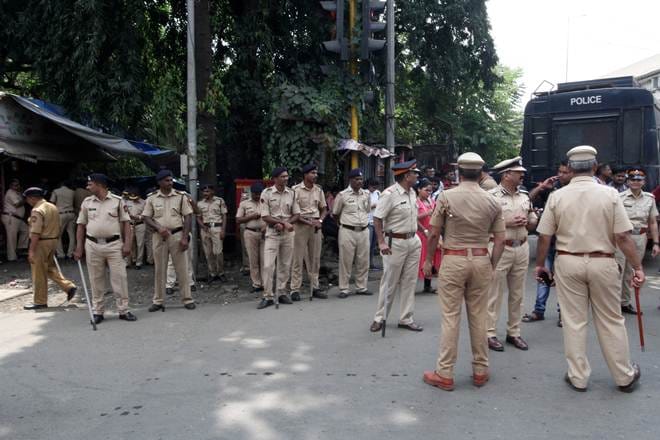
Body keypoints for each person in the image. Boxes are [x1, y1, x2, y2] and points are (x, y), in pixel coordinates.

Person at [535, 145, 642, 393]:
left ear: (570, 169)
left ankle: (578, 377)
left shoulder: (557, 196)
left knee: (574, 322)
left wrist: (540, 265)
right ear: (595, 167)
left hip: (567, 261)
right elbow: (623, 237)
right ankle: (624, 375)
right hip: (603, 261)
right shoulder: (611, 194)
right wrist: (637, 267)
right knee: (611, 320)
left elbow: (544, 237)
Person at [422, 152, 505, 391]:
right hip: (480, 258)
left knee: (450, 317)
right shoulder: (492, 200)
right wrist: (491, 265)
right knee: (479, 316)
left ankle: (445, 373)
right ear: (480, 173)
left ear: (459, 172)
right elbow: (500, 240)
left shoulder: (446, 197)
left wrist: (429, 260)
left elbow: (434, 233)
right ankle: (480, 370)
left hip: (454, 259)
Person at [486, 157, 537, 352]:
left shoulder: (525, 195)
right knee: (494, 293)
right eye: (519, 172)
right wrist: (507, 223)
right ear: (506, 174)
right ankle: (489, 333)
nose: (523, 175)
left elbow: (532, 219)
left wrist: (531, 220)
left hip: (521, 246)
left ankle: (514, 332)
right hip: (500, 247)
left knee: (518, 294)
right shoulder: (491, 196)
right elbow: (482, 224)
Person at [369, 159, 424, 334]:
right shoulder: (389, 194)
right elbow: (377, 218)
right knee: (390, 282)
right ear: (406, 176)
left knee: (410, 281)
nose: (417, 176)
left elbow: (413, 216)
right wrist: (381, 242)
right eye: (415, 173)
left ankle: (406, 318)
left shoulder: (413, 193)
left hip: (413, 240)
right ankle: (380, 317)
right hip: (395, 242)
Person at [73, 174, 136, 324]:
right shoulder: (87, 202)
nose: (87, 187)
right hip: (92, 245)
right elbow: (81, 225)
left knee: (119, 278)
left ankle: (123, 310)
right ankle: (98, 311)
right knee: (95, 279)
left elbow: (127, 223)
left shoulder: (118, 201)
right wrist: (78, 247)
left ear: (100, 185)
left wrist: (127, 244)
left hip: (114, 245)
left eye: (90, 184)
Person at [523, 161, 572, 326]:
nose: (562, 175)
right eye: (560, 171)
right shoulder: (552, 188)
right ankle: (538, 310)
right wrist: (542, 187)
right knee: (543, 276)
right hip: (549, 241)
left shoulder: (575, 190)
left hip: (567, 242)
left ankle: (562, 314)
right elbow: (527, 199)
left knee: (564, 280)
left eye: (565, 172)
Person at [142, 170, 196, 311]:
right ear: (159, 182)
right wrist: (158, 227)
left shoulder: (180, 197)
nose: (170, 183)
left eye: (171, 180)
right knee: (160, 270)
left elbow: (188, 217)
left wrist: (185, 237)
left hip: (177, 235)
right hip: (159, 237)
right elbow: (146, 217)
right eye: (166, 180)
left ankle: (187, 299)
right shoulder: (151, 198)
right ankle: (158, 301)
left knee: (182, 269)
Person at [22, 187, 77, 309]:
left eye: (27, 199)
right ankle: (68, 287)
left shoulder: (37, 210)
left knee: (38, 272)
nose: (27, 201)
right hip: (53, 241)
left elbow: (36, 232)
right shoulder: (52, 207)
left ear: (32, 198)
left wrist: (31, 250)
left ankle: (40, 301)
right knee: (49, 268)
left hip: (41, 242)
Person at [615, 167, 659, 314]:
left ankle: (625, 303)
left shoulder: (649, 198)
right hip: (622, 237)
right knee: (618, 270)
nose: (635, 182)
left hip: (640, 237)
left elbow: (652, 222)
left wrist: (656, 243)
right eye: (632, 179)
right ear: (628, 181)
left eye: (639, 179)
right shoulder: (619, 197)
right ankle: (613, 304)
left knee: (632, 272)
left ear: (644, 182)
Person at [258, 166, 300, 309]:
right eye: (282, 176)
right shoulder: (267, 193)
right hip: (272, 234)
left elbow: (296, 214)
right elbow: (265, 216)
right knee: (268, 265)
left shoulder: (292, 193)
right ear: (275, 179)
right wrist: (281, 223)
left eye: (287, 176)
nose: (286, 178)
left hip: (288, 234)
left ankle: (281, 292)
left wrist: (287, 223)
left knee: (285, 264)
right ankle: (268, 296)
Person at [333, 168, 371, 298]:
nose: (359, 181)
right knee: (346, 260)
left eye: (361, 179)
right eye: (357, 179)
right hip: (347, 230)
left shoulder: (366, 194)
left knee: (363, 260)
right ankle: (344, 288)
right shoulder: (342, 195)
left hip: (364, 230)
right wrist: (342, 225)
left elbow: (367, 210)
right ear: (351, 180)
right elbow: (335, 214)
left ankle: (361, 287)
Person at [290, 164, 327, 300]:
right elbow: (294, 212)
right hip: (300, 226)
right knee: (297, 258)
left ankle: (314, 287)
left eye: (316, 173)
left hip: (316, 226)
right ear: (305, 175)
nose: (315, 175)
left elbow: (324, 209)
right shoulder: (295, 190)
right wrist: (309, 222)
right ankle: (295, 289)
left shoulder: (318, 190)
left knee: (315, 258)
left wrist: (320, 221)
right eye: (312, 173)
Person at [236, 182, 265, 293]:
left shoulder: (267, 203)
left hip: (265, 234)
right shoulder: (244, 204)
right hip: (250, 233)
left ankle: (265, 283)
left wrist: (266, 227)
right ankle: (256, 284)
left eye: (259, 194)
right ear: (251, 193)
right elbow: (238, 220)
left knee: (265, 260)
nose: (257, 196)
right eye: (255, 194)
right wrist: (252, 216)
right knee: (253, 260)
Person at [196, 184, 228, 282]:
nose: (205, 193)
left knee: (218, 252)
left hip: (217, 228)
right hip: (205, 229)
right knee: (208, 253)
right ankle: (212, 273)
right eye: (204, 192)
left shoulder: (219, 201)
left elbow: (224, 216)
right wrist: (202, 226)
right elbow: (198, 217)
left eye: (207, 191)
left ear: (212, 192)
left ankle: (221, 272)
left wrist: (223, 230)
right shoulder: (200, 204)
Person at [415, 179, 441, 293]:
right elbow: (413, 217)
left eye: (430, 191)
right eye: (426, 190)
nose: (428, 193)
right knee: (421, 258)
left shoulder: (431, 201)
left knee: (432, 258)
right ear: (419, 189)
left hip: (431, 233)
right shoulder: (415, 202)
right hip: (421, 233)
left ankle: (428, 284)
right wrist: (427, 213)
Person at [2, 179, 29, 261]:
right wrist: (26, 199)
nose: (17, 186)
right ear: (11, 186)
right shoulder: (10, 192)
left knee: (26, 230)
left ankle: (20, 249)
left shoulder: (18, 193)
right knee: (11, 238)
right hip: (11, 217)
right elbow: (17, 204)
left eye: (18, 185)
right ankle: (12, 258)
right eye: (15, 185)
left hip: (17, 218)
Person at [50, 181, 76, 259]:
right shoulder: (72, 192)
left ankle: (61, 254)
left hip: (61, 214)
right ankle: (70, 253)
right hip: (71, 213)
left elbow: (52, 202)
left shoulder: (56, 191)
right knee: (71, 235)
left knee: (58, 235)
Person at [123, 187, 146, 269]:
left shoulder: (144, 202)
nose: (134, 199)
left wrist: (138, 217)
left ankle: (138, 262)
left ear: (139, 196)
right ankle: (130, 261)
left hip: (140, 224)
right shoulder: (127, 202)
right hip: (130, 225)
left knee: (140, 244)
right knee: (130, 243)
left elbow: (146, 215)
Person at [367, 178, 381, 270]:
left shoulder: (378, 193)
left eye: (376, 187)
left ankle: (371, 263)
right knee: (367, 245)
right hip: (367, 221)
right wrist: (373, 205)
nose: (374, 189)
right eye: (373, 187)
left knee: (373, 245)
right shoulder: (365, 193)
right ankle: (365, 264)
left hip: (375, 221)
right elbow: (363, 207)